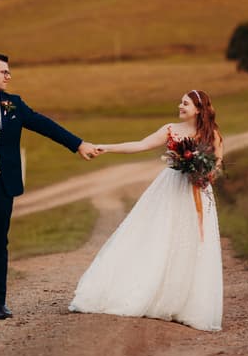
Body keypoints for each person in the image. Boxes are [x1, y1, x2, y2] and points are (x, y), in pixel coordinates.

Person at [0, 51, 98, 321]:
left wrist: (78, 144)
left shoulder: (12, 104)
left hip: (4, 186)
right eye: (5, 72)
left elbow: (43, 124)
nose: (9, 76)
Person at [69, 90, 223, 332]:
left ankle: (185, 303)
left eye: (185, 103)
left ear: (198, 109)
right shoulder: (170, 128)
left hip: (197, 193)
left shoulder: (212, 135)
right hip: (170, 190)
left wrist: (199, 171)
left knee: (191, 243)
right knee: (160, 238)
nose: (179, 106)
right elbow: (141, 144)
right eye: (180, 102)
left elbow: (216, 167)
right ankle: (151, 293)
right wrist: (107, 147)